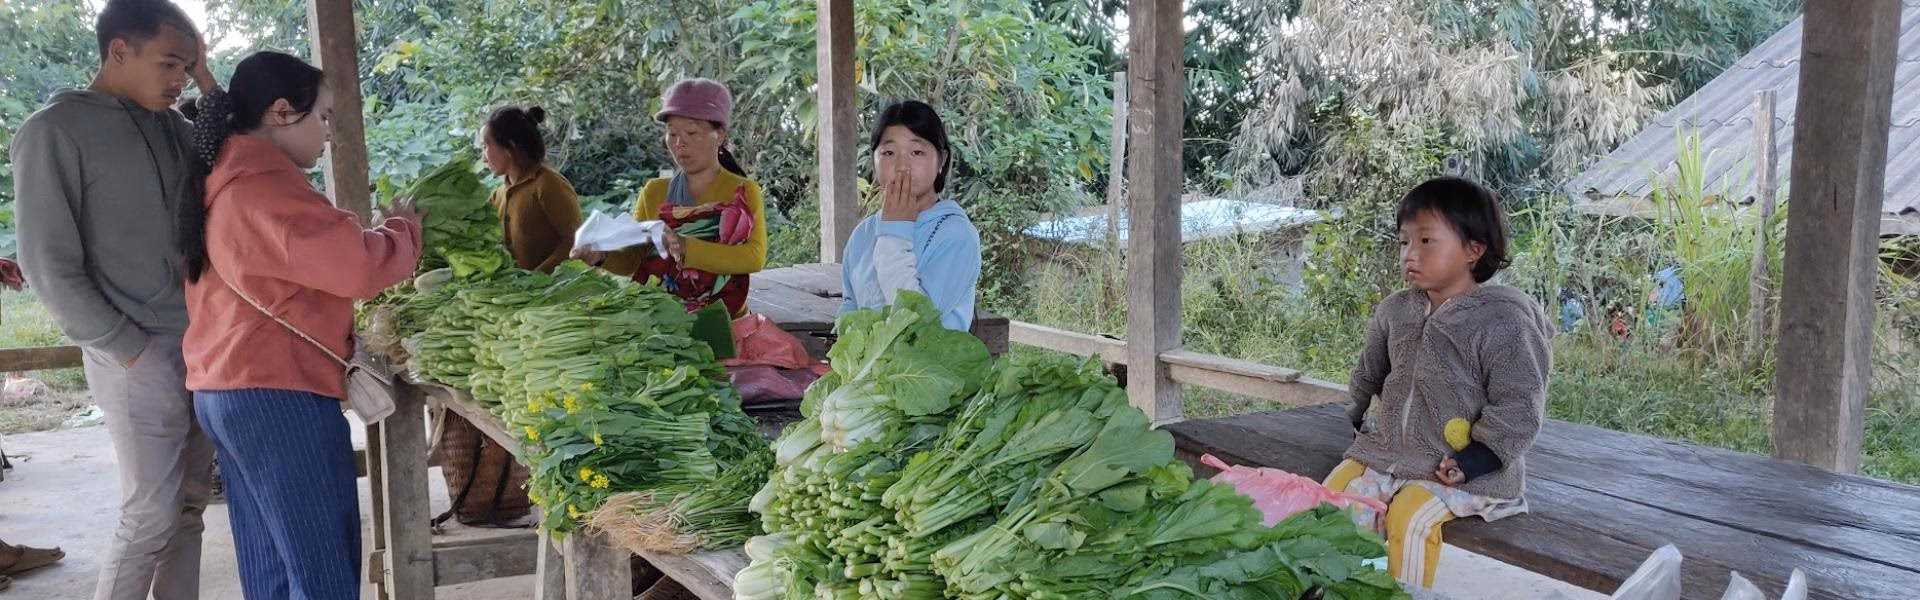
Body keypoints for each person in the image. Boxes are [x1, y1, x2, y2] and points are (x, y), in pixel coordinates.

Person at [175, 51, 423, 599]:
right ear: (282, 112)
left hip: (227, 389)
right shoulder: (262, 187)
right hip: (274, 395)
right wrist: (404, 227)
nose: (329, 132)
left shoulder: (224, 177)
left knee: (272, 562)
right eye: (325, 116)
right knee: (321, 566)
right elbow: (359, 265)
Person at [9, 1, 219, 597]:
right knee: (150, 513)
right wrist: (125, 349)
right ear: (118, 51)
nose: (179, 79)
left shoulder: (176, 127)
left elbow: (241, 149)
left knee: (190, 507)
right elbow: (47, 261)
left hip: (202, 342)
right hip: (132, 349)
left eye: (188, 65)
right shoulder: (52, 131)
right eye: (170, 63)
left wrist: (205, 80)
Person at [1323, 176, 1552, 588]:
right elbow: (1369, 372)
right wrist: (1360, 418)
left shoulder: (1503, 319)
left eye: (1426, 241)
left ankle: (1400, 596)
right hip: (1387, 453)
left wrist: (1476, 459)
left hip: (1462, 468)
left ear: (1473, 249)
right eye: (1403, 242)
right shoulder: (1395, 310)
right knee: (1331, 500)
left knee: (1408, 518)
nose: (1410, 254)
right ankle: (1353, 590)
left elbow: (1519, 404)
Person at [576, 78, 767, 316]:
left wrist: (685, 246)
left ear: (719, 135)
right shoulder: (654, 192)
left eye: (691, 132)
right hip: (663, 319)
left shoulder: (742, 191)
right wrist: (602, 257)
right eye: (672, 133)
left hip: (726, 321)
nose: (680, 143)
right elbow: (636, 260)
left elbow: (753, 258)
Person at [837, 100, 981, 332]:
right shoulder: (862, 234)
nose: (902, 166)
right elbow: (850, 308)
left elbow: (916, 324)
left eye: (917, 152)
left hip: (927, 367)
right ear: (874, 160)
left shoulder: (957, 235)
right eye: (889, 152)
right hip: (866, 369)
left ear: (941, 161)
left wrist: (894, 234)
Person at [483, 105, 582, 273]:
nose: (483, 158)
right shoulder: (497, 196)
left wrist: (536, 279)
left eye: (485, 146)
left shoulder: (549, 184)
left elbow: (575, 241)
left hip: (561, 294)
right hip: (521, 295)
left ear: (510, 147)